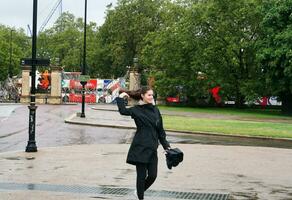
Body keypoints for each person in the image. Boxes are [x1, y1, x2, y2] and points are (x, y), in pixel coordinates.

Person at [116, 86, 171, 200]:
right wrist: (120, 98)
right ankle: (141, 197)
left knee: (152, 176)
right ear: (142, 96)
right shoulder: (136, 110)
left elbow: (160, 130)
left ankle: (139, 192)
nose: (151, 97)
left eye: (152, 95)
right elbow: (123, 111)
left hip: (152, 148)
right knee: (141, 177)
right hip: (140, 148)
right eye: (149, 95)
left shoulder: (156, 110)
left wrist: (166, 146)